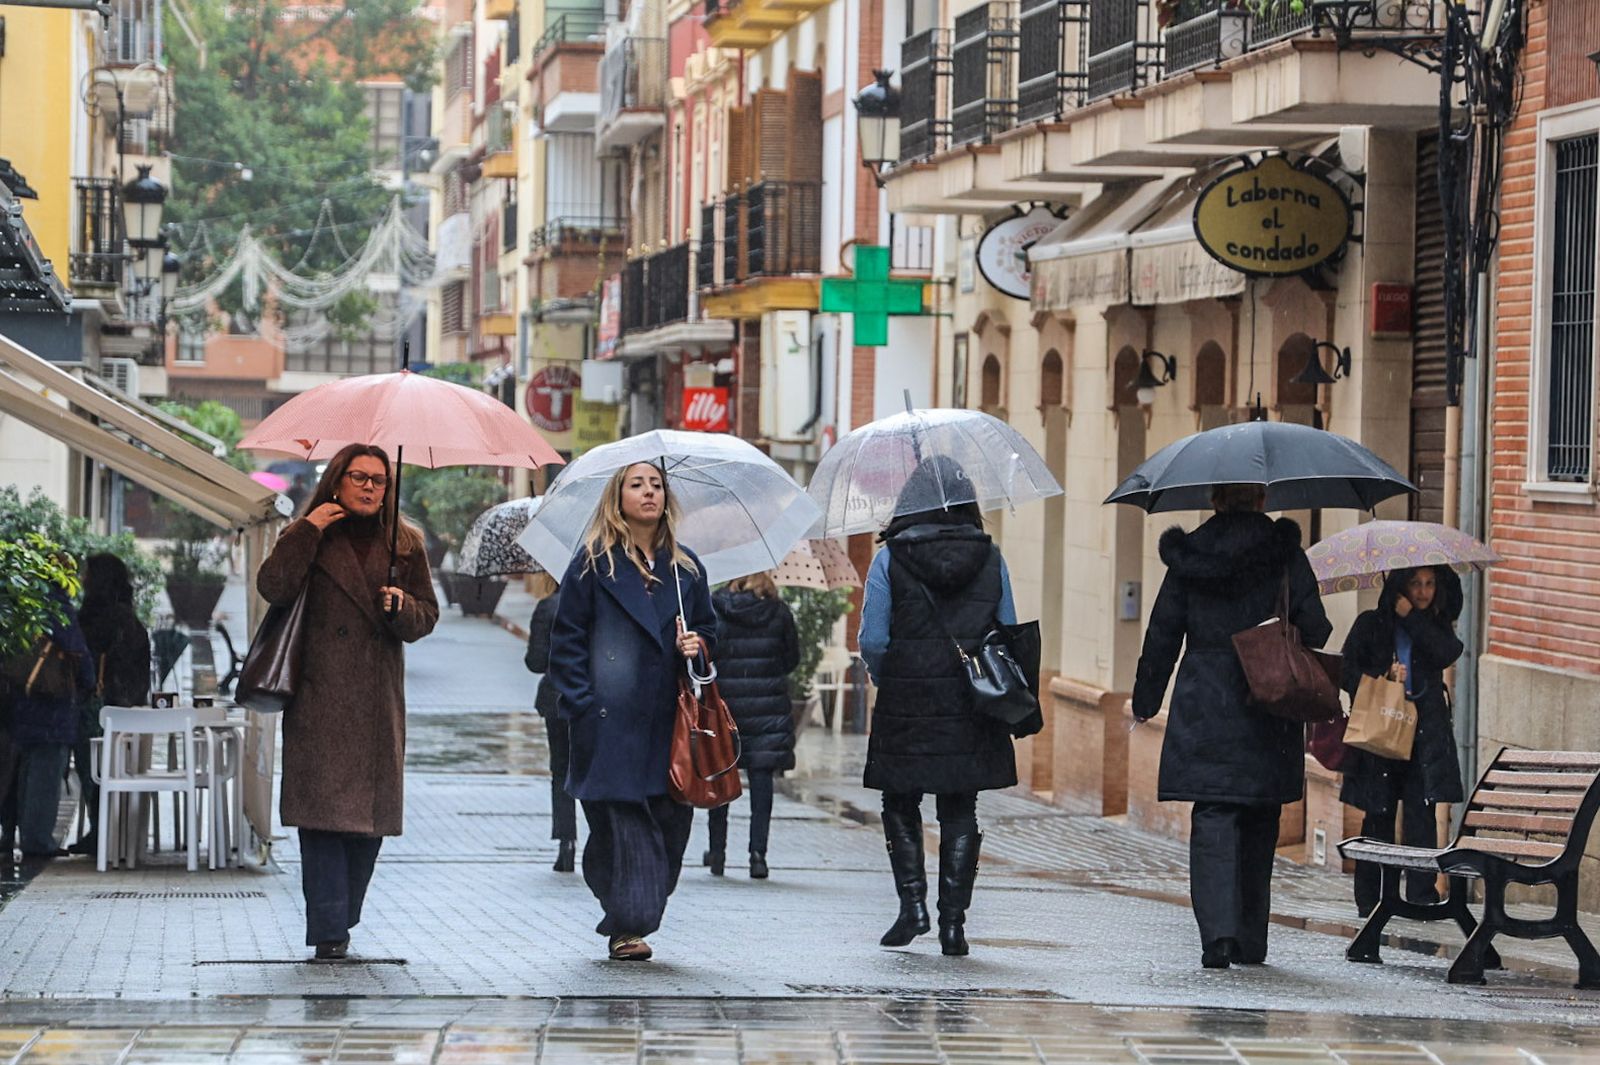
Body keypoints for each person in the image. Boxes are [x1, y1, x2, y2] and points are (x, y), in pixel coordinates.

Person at [1131, 483, 1332, 970]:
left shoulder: (1190, 555)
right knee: (1259, 816)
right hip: (1268, 699)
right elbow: (1318, 627)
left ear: (1215, 499)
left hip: (1206, 698)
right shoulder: (1286, 555)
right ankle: (1251, 938)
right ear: (1262, 501)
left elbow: (1162, 634)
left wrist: (1145, 700)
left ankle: (1217, 935)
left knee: (1215, 813)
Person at [256, 443, 438, 962]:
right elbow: (273, 586)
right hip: (319, 699)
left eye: (379, 480)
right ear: (337, 480)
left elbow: (427, 617)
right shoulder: (310, 533)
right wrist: (308, 528)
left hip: (377, 704)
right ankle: (330, 929)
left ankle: (341, 915)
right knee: (322, 821)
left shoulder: (404, 545)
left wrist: (402, 607)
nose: (369, 487)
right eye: (358, 477)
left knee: (367, 827)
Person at [859, 455, 1038, 958]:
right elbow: (1005, 627)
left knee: (900, 799)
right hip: (971, 701)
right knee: (960, 806)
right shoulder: (990, 556)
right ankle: (953, 925)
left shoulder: (891, 558)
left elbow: (874, 637)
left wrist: (885, 676)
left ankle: (912, 907)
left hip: (907, 698)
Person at [547, 461, 717, 962]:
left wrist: (698, 645)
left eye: (656, 485)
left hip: (669, 726)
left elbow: (711, 635)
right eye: (636, 484)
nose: (648, 493)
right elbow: (567, 641)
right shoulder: (591, 565)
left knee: (668, 830)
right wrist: (582, 704)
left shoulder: (686, 570)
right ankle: (627, 925)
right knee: (620, 831)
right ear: (616, 497)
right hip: (609, 723)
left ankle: (631, 912)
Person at [1339, 565, 1465, 916]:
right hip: (1380, 733)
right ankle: (1372, 897)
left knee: (1421, 813)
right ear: (1399, 585)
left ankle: (1421, 894)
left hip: (1422, 734)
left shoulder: (1433, 623)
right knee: (1377, 814)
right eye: (1415, 583)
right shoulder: (1370, 624)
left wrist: (1411, 619)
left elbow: (1447, 652)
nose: (1423, 591)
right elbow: (1346, 670)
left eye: (1429, 584)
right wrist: (1383, 675)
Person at [703, 570, 800, 880]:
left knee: (721, 779)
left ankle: (717, 852)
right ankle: (758, 855)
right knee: (762, 782)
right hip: (767, 708)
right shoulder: (779, 612)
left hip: (727, 708)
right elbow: (792, 659)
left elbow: (708, 655)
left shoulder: (715, 608)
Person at [5, 583, 95, 862]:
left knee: (25, 774)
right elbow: (78, 653)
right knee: (44, 778)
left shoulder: (18, 604)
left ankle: (20, 835)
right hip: (52, 710)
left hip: (20, 704)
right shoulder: (56, 608)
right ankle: (37, 841)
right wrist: (89, 683)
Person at [73, 553, 152, 857]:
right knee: (112, 772)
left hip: (98, 707)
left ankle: (101, 833)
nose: (82, 579)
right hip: (127, 712)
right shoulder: (130, 619)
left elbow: (85, 660)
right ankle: (111, 832)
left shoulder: (95, 618)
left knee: (92, 769)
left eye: (87, 574)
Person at [523, 571, 577, 873]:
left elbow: (535, 662)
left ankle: (566, 842)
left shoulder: (547, 607)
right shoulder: (600, 604)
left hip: (556, 698)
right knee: (591, 768)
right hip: (595, 700)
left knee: (561, 769)